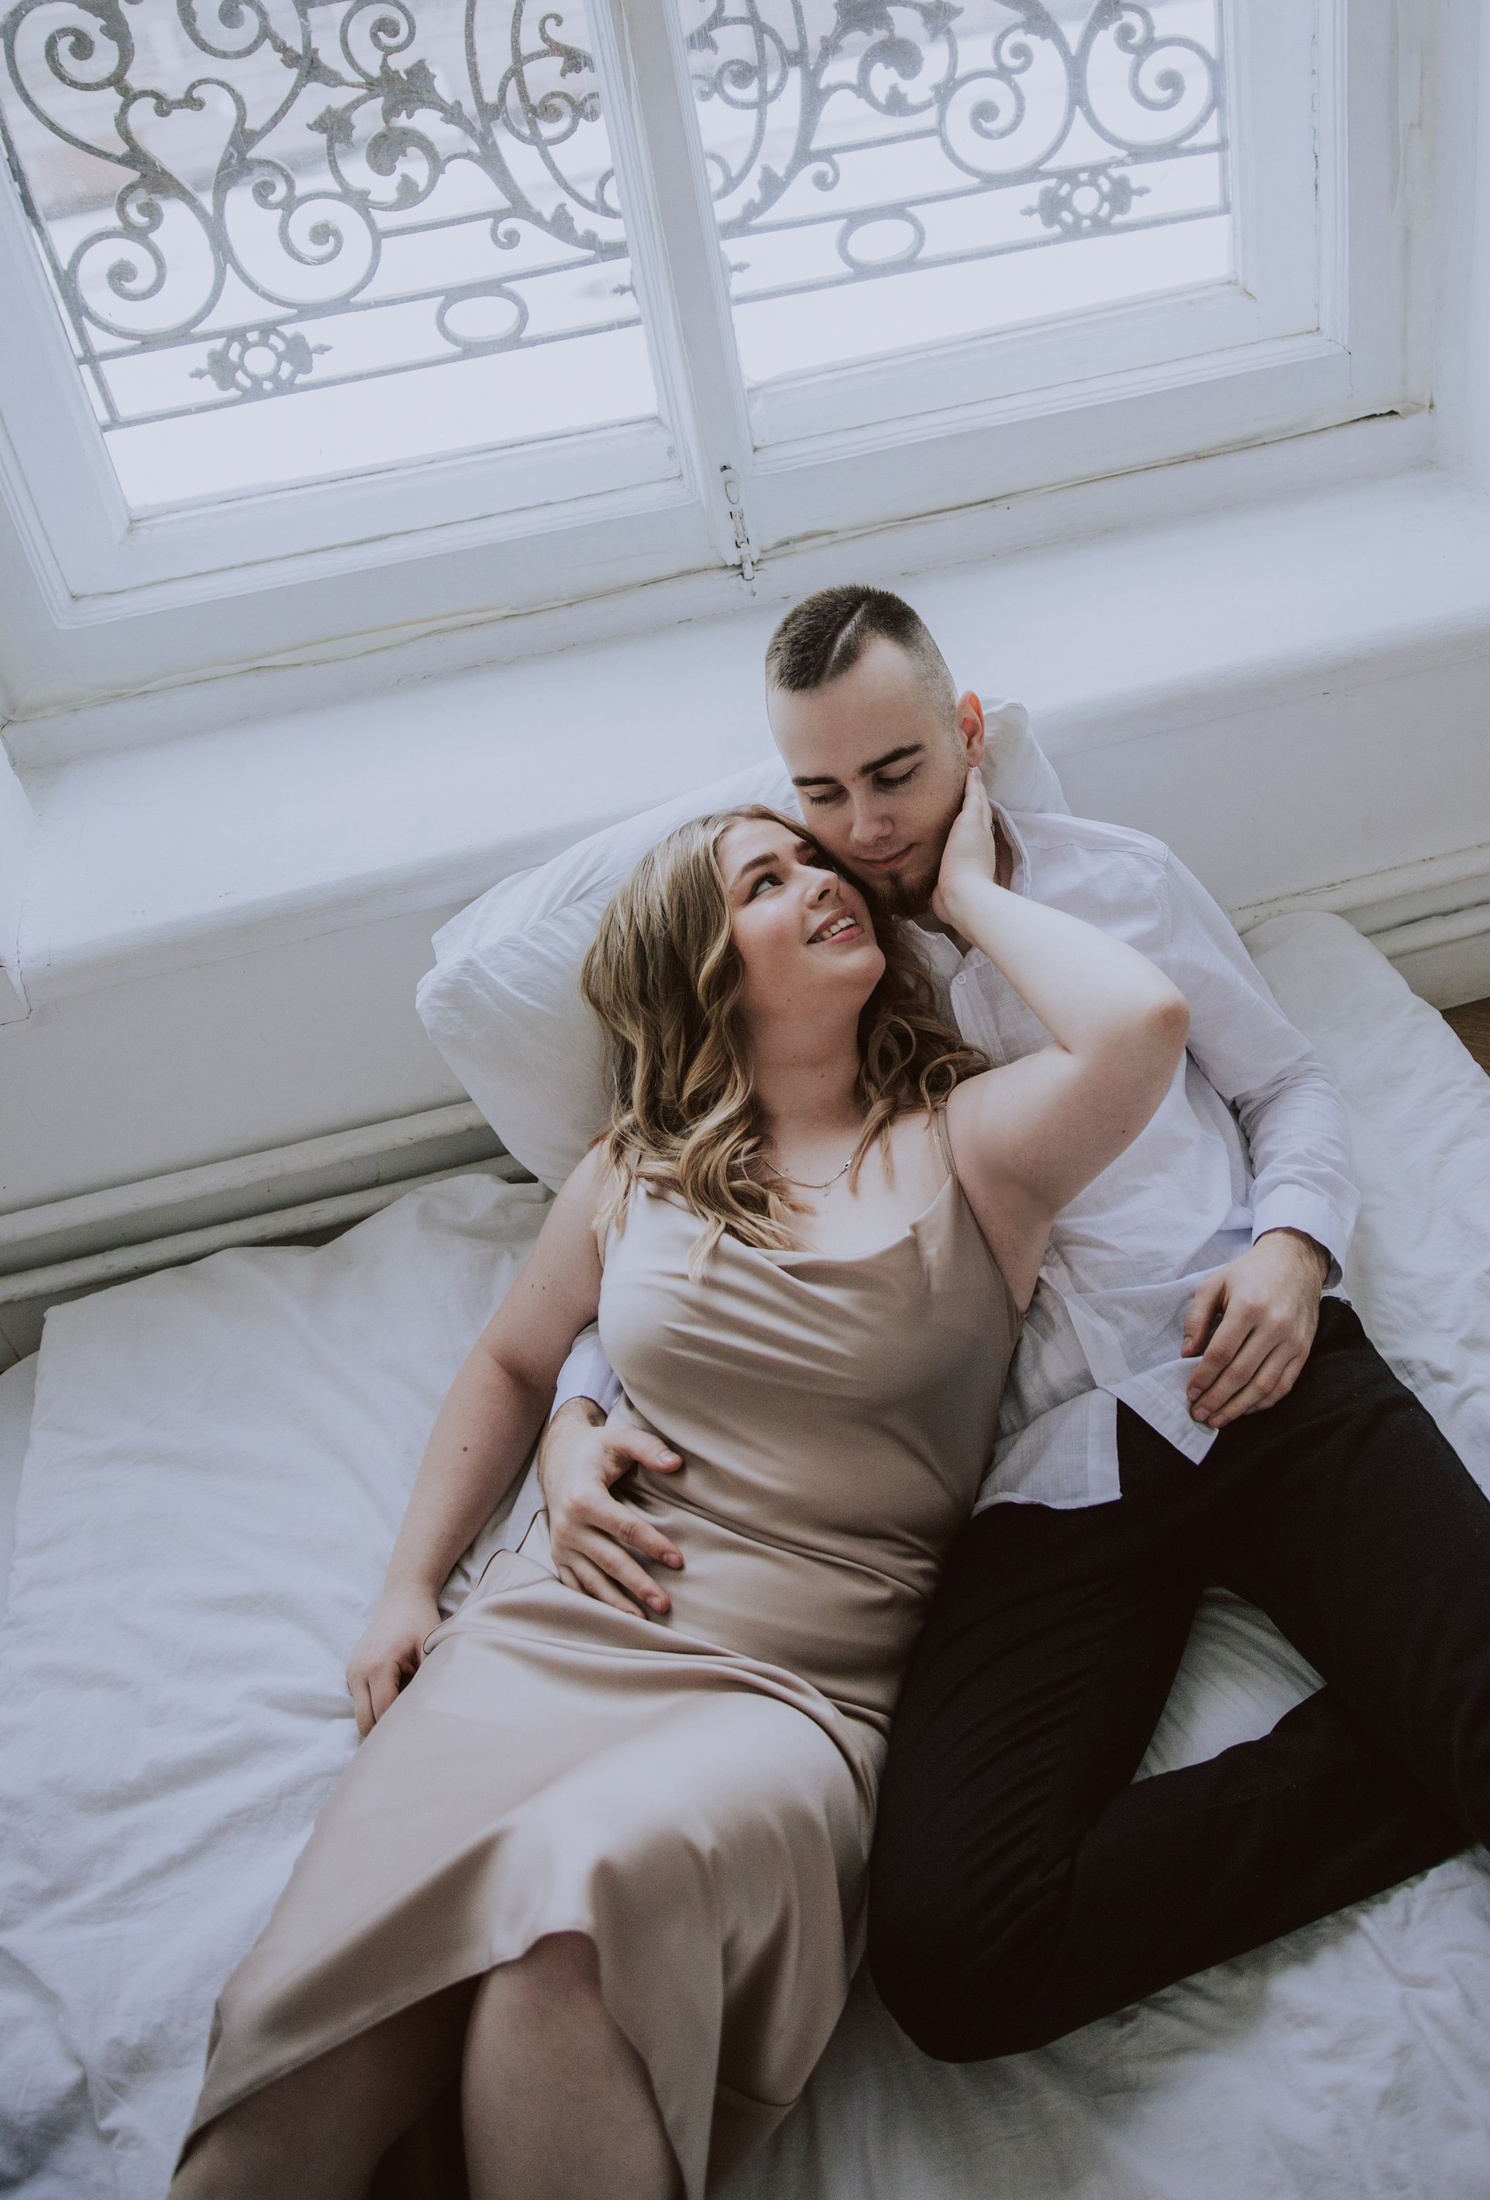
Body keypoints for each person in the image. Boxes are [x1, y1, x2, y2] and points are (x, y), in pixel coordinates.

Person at [541, 583, 1490, 2200]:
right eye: (822, 793)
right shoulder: (806, 967)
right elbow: (688, 1221)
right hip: (1036, 1478)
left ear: (968, 734)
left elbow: (1289, 1085)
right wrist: (578, 1405)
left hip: (1259, 1374)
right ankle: (1441, 1737)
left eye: (897, 774)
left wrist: (1292, 1251)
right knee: (955, 1953)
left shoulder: (1117, 885)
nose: (865, 829)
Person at [170, 774, 1192, 2200]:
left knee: (575, 1933)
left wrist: (958, 893)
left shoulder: (969, 1142)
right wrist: (408, 1585)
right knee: (297, 2044)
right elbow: (514, 1363)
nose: (819, 881)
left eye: (812, 863)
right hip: (552, 1638)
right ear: (703, 973)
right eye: (762, 885)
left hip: (793, 1689)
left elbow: (1142, 1027)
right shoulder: (633, 1171)